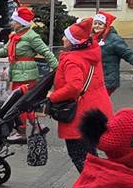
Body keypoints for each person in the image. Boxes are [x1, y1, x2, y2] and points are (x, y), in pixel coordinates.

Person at [47, 17, 113, 171]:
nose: (62, 38)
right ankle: (97, 186)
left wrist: (53, 97)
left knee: (81, 156)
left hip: (81, 115)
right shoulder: (91, 52)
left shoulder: (73, 60)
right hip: (96, 109)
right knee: (90, 155)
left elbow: (74, 87)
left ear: (72, 41)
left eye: (65, 36)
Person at [94, 10, 133, 93]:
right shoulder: (93, 37)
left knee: (98, 104)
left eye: (100, 24)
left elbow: (128, 54)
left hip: (107, 80)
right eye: (95, 23)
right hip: (96, 79)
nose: (97, 26)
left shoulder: (113, 39)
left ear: (106, 26)